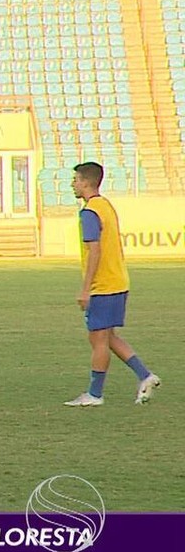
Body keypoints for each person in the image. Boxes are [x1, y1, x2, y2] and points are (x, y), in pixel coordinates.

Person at [63, 162, 160, 407]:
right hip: (118, 281)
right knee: (108, 337)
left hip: (104, 285)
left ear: (86, 182)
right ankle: (145, 376)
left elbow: (94, 251)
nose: (73, 183)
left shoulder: (89, 212)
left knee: (98, 339)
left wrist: (86, 289)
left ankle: (95, 394)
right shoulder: (105, 205)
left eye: (75, 179)